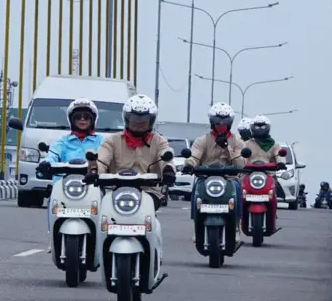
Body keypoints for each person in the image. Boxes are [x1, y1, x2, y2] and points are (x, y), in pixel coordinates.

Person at [36, 98, 105, 252]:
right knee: (51, 199)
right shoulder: (63, 142)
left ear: (92, 120)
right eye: (78, 117)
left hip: (92, 185)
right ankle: (52, 236)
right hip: (65, 186)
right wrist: (46, 163)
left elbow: (108, 157)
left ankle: (102, 235)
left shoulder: (102, 141)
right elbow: (52, 155)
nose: (82, 120)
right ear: (71, 120)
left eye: (86, 117)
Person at [181, 102, 246, 243]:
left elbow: (240, 164)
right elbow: (194, 156)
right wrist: (189, 165)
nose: (221, 125)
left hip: (229, 178)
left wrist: (227, 147)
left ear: (230, 123)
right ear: (212, 122)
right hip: (206, 177)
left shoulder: (237, 141)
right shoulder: (203, 140)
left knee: (237, 188)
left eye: (224, 122)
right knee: (197, 190)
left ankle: (235, 227)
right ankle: (196, 227)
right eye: (217, 122)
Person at [89, 94, 177, 197]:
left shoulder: (159, 141)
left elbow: (166, 158)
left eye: (144, 118)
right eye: (134, 117)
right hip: (114, 191)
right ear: (127, 118)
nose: (139, 121)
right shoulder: (111, 140)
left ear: (151, 120)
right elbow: (102, 160)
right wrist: (94, 171)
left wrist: (168, 170)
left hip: (149, 192)